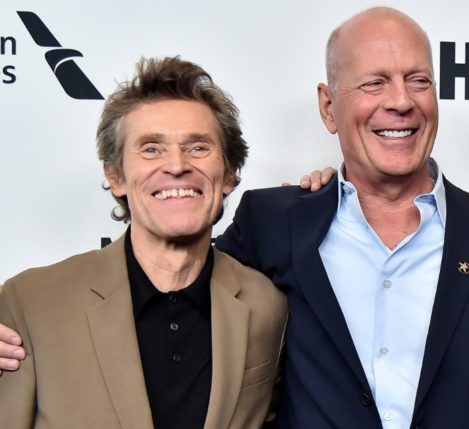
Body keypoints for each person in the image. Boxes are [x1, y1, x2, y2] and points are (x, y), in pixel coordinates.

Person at [1, 7, 469, 429]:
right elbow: (168, 276)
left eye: (418, 80)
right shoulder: (276, 223)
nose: (401, 101)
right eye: (374, 83)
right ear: (329, 107)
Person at [0, 57, 287, 428]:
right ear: (115, 175)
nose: (176, 165)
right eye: (151, 149)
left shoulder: (266, 304)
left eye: (198, 147)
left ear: (230, 172)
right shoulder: (31, 302)